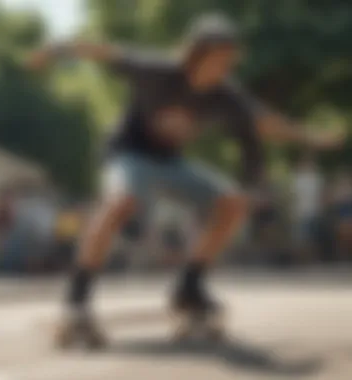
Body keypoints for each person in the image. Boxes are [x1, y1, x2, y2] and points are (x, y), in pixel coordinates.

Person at [29, 13, 345, 347]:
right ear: (197, 54)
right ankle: (77, 300)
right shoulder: (159, 71)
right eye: (219, 61)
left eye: (230, 62)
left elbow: (265, 122)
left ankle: (189, 287)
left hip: (170, 162)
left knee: (232, 203)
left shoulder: (225, 94)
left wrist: (309, 137)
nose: (224, 69)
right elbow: (107, 52)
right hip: (127, 154)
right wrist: (57, 48)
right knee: (120, 202)